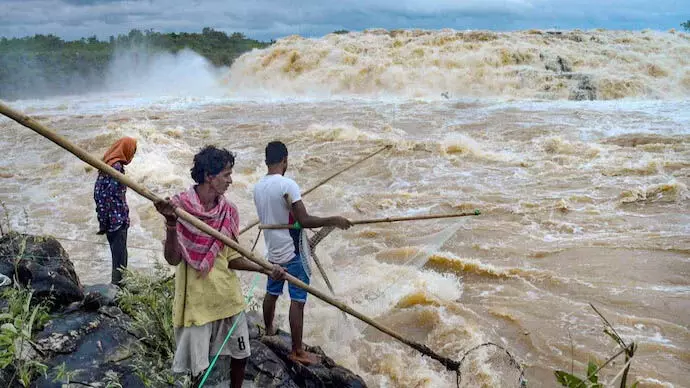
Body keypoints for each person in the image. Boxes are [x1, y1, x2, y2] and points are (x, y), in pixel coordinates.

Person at [154, 145, 285, 388]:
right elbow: (173, 259)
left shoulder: (228, 211)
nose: (231, 181)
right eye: (226, 174)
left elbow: (231, 257)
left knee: (241, 354)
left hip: (227, 298)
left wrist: (266, 269)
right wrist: (171, 224)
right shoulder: (179, 208)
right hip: (197, 303)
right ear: (208, 176)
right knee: (198, 369)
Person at [253, 141, 352, 365]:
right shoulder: (288, 184)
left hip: (273, 251)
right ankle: (297, 351)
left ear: (266, 160)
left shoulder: (258, 187)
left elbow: (279, 216)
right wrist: (334, 220)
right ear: (285, 160)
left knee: (273, 292)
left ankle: (269, 331)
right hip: (293, 252)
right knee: (297, 301)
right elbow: (304, 220)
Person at [94, 136, 137, 286]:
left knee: (117, 256)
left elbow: (99, 195)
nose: (132, 155)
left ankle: (119, 289)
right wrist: (115, 220)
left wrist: (103, 221)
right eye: (133, 151)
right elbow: (110, 195)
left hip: (110, 221)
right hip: (116, 221)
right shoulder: (116, 168)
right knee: (120, 260)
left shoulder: (106, 166)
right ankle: (119, 292)